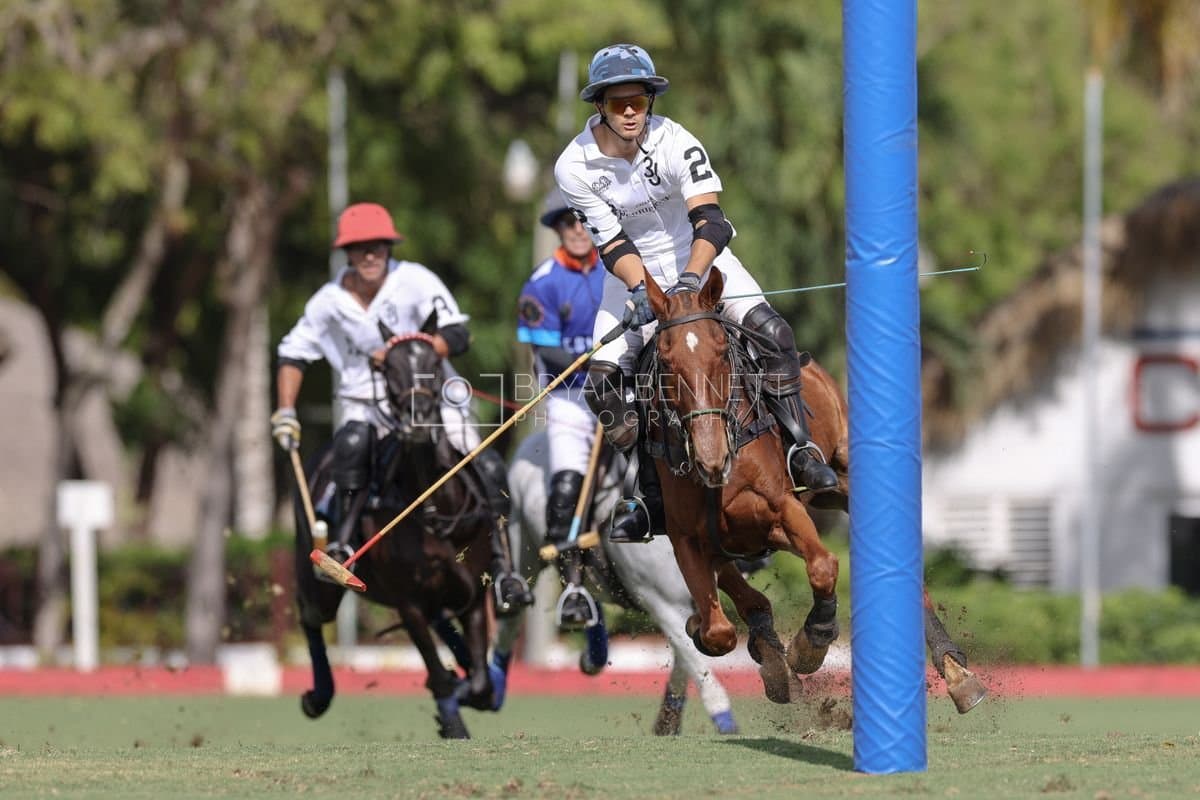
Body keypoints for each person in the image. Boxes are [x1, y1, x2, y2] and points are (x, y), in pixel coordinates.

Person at [553, 44, 838, 543]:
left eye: (637, 101)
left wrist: (688, 282)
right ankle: (651, 497)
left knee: (774, 333)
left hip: (701, 260)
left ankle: (800, 451)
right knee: (602, 386)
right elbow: (612, 242)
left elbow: (710, 219)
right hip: (630, 280)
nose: (628, 112)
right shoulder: (573, 166)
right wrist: (645, 291)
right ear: (598, 105)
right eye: (617, 102)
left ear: (649, 102)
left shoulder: (675, 140)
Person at [270, 202, 533, 616]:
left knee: (488, 466)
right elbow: (292, 354)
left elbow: (458, 333)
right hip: (366, 405)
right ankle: (341, 543)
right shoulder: (329, 301)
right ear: (348, 253)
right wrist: (285, 411)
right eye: (360, 248)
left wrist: (413, 353)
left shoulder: (416, 281)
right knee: (352, 445)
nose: (370, 255)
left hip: (429, 396)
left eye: (378, 246)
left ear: (389, 247)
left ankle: (503, 568)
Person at [516, 189, 606, 628]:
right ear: (557, 229)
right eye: (568, 222)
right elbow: (547, 353)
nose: (577, 229)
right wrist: (595, 358)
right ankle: (573, 586)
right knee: (568, 478)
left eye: (583, 220)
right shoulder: (543, 282)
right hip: (571, 397)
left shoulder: (615, 269)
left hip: (622, 392)